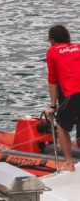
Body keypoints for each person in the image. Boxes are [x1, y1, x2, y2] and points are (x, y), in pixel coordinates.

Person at [45, 24, 80, 171]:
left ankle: (69, 163)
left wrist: (53, 106)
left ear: (52, 40)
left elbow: (52, 80)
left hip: (72, 92)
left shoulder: (52, 51)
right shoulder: (78, 47)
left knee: (62, 127)